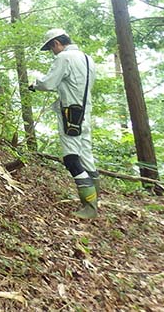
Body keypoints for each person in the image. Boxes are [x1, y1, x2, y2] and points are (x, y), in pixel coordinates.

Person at [29, 28, 99, 219]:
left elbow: (49, 83)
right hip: (85, 114)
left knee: (71, 160)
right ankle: (94, 204)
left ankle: (89, 207)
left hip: (70, 114)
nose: (53, 52)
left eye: (51, 48)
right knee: (86, 157)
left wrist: (35, 85)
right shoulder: (87, 58)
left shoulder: (64, 58)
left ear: (56, 43)